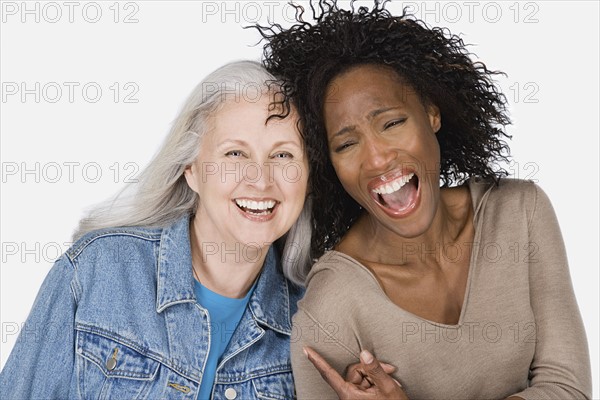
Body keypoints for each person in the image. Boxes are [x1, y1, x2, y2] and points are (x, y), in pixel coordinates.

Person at [258, 1, 593, 399]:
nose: (377, 158)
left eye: (392, 123)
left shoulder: (520, 213)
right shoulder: (331, 311)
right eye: (347, 143)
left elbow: (568, 388)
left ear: (432, 113)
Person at [0, 61, 313, 399]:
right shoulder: (94, 272)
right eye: (235, 153)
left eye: (282, 155)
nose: (260, 179)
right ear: (190, 169)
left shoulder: (314, 319)